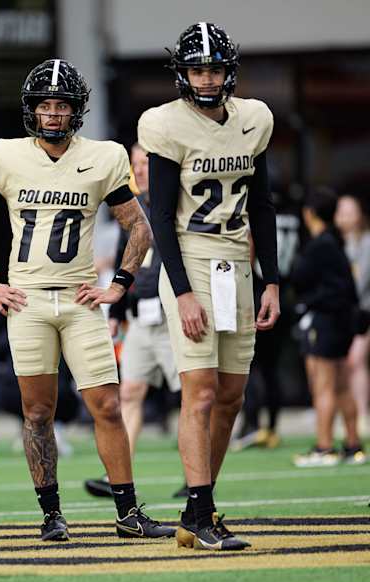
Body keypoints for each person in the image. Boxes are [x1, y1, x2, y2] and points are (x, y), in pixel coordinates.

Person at [0, 58, 175, 542]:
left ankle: (127, 512)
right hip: (28, 302)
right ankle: (52, 514)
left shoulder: (106, 155)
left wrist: (119, 284)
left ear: (77, 110)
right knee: (36, 413)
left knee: (108, 406)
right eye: (45, 105)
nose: (53, 114)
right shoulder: (5, 156)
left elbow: (138, 223)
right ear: (32, 110)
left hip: (80, 303)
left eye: (62, 105)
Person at [139, 22, 280, 550]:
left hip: (238, 263)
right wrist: (181, 291)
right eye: (198, 68)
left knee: (231, 396)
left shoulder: (254, 118)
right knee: (199, 392)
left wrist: (272, 281)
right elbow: (159, 216)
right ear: (183, 73)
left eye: (214, 68)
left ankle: (197, 508)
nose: (206, 77)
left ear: (229, 72)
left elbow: (263, 205)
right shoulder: (165, 125)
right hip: (192, 258)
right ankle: (202, 515)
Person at [84, 143, 182, 499]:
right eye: (134, 164)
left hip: (172, 311)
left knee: (191, 393)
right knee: (130, 392)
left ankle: (199, 477)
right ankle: (119, 476)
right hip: (141, 313)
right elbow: (130, 266)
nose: (139, 170)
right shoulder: (129, 208)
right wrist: (120, 312)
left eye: (145, 163)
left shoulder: (175, 203)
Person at [292, 188, 366, 466]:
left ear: (309, 213)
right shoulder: (334, 242)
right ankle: (352, 444)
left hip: (326, 322)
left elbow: (301, 280)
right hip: (342, 323)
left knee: (323, 387)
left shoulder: (319, 245)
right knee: (343, 385)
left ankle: (324, 447)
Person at [334, 190, 370, 444]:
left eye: (350, 212)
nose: (345, 217)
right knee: (342, 365)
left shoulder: (367, 243)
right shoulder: (334, 244)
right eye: (341, 212)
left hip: (364, 312)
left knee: (355, 361)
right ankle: (347, 416)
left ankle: (362, 415)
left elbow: (361, 282)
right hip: (341, 314)